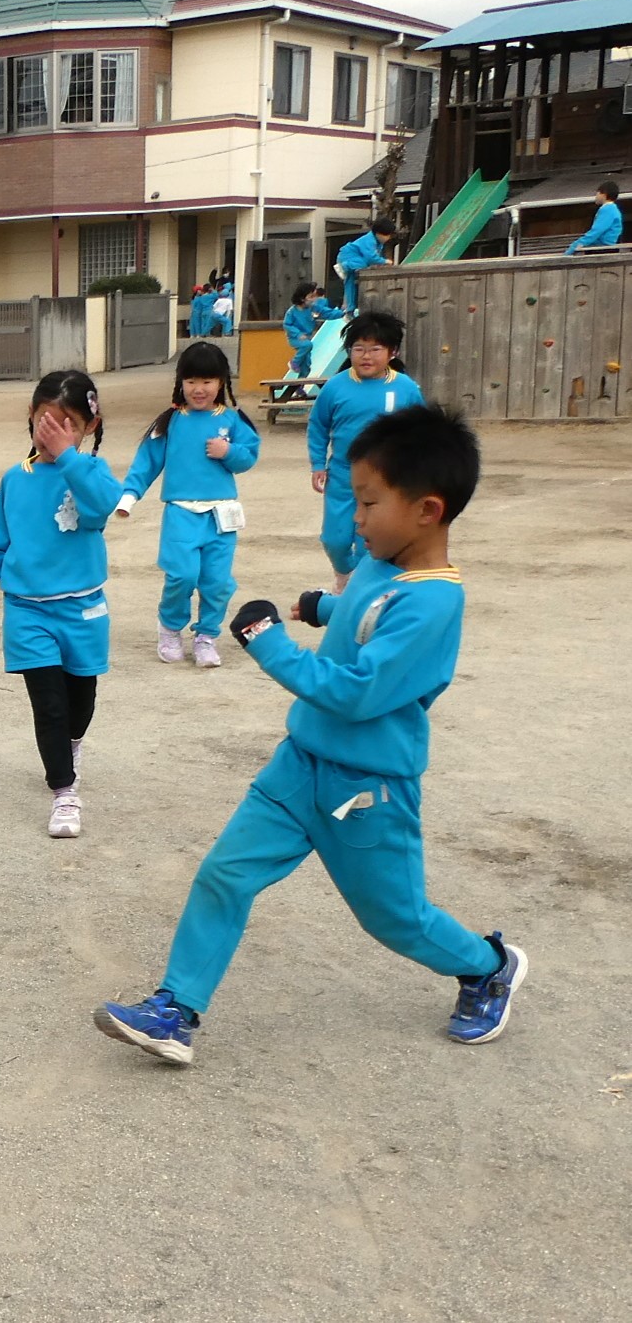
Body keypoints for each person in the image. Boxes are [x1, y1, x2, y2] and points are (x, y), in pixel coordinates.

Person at [95, 404, 523, 1066]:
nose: (356, 518)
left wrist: (269, 643)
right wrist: (324, 608)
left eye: (368, 503)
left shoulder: (436, 601)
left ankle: (487, 966)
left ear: (427, 511)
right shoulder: (383, 562)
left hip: (367, 788)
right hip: (299, 765)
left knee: (393, 918)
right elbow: (365, 612)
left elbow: (357, 693)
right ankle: (174, 1010)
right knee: (225, 874)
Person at [0, 370, 119, 840]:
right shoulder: (15, 478)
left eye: (67, 426)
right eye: (45, 423)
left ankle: (72, 744)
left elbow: (102, 508)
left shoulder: (92, 473)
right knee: (48, 705)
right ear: (30, 416)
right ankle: (64, 791)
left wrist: (69, 456)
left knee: (80, 701)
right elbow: (0, 538)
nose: (53, 435)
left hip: (82, 609)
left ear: (90, 426)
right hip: (27, 611)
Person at [115, 342, 261, 669]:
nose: (199, 389)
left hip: (221, 515)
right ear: (180, 382)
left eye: (207, 381)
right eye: (191, 381)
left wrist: (229, 452)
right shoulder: (170, 422)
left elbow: (249, 457)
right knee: (182, 575)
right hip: (181, 512)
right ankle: (170, 628)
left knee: (217, 582)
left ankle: (206, 636)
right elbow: (146, 463)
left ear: (222, 382)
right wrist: (129, 496)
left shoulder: (233, 420)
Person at [308, 310, 422, 587]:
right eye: (359, 348)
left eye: (375, 349)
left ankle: (360, 586)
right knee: (334, 539)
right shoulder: (335, 387)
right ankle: (344, 573)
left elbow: (420, 431)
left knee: (370, 540)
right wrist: (317, 464)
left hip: (385, 478)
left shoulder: (406, 388)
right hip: (343, 475)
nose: (366, 356)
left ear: (392, 352)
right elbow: (318, 426)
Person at [335, 219, 396, 311]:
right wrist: (385, 261)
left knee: (350, 285)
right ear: (378, 233)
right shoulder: (369, 240)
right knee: (363, 264)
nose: (388, 237)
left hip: (354, 259)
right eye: (387, 235)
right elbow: (371, 257)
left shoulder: (377, 243)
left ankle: (350, 309)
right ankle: (343, 267)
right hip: (348, 257)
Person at [565, 180, 623, 254]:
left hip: (604, 247)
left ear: (604, 194)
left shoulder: (608, 209)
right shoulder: (612, 209)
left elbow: (596, 231)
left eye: (597, 193)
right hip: (606, 246)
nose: (596, 196)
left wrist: (575, 245)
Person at [282, 282, 321, 378]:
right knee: (307, 345)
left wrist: (340, 314)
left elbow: (326, 312)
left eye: (314, 296)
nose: (314, 299)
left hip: (306, 337)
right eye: (311, 297)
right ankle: (294, 362)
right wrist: (298, 334)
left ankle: (300, 383)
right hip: (295, 338)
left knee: (306, 365)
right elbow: (287, 324)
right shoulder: (292, 311)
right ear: (302, 298)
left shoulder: (311, 309)